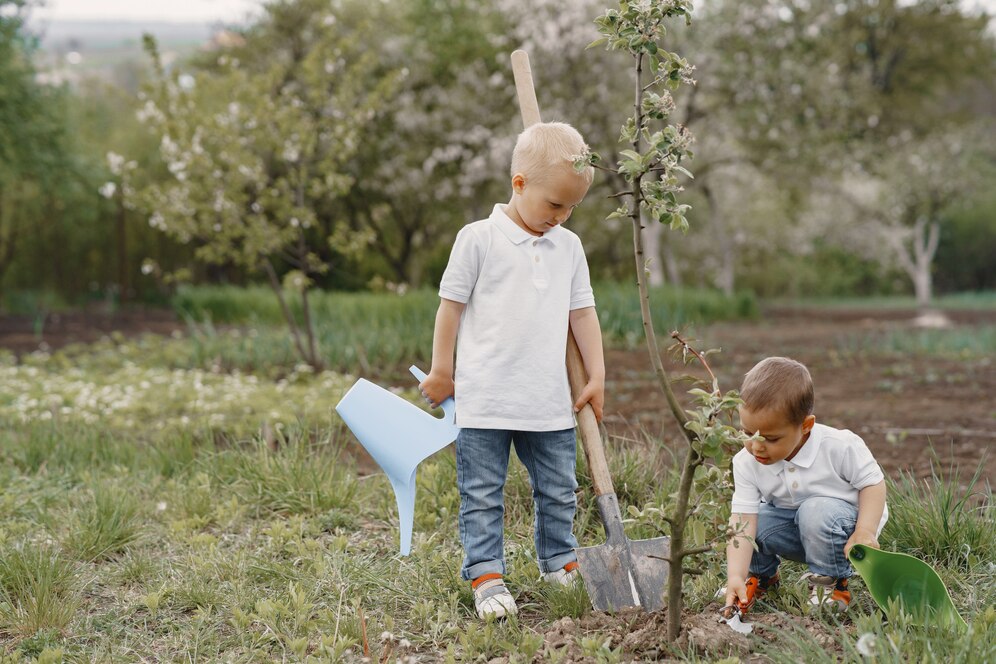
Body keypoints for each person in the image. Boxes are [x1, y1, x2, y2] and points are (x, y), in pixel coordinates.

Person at [419, 122, 604, 620]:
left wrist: (597, 374)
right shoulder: (478, 239)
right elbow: (450, 308)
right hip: (486, 399)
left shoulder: (568, 246)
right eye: (554, 205)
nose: (561, 217)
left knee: (558, 488)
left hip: (548, 401)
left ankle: (559, 562)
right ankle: (485, 574)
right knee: (481, 493)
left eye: (571, 208)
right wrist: (442, 369)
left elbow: (582, 314)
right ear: (519, 184)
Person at [723, 357, 888, 616]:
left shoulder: (839, 445)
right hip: (796, 530)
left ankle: (831, 583)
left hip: (843, 531)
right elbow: (743, 521)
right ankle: (759, 578)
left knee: (815, 510)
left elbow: (873, 484)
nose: (756, 446)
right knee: (757, 518)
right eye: (747, 434)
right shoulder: (746, 462)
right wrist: (735, 573)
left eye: (771, 438)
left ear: (806, 426)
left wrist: (865, 531)